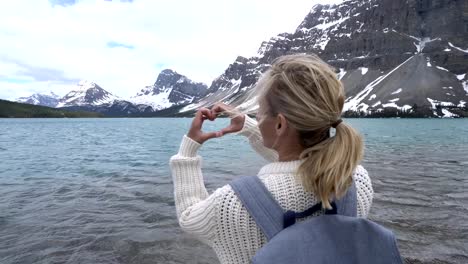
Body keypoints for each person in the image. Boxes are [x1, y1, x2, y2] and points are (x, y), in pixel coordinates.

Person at [169, 54, 373, 264]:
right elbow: (298, 160)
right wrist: (248, 128)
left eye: (261, 111)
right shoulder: (355, 180)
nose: (257, 117)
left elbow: (189, 216)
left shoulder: (231, 204)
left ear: (280, 125)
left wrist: (188, 151)